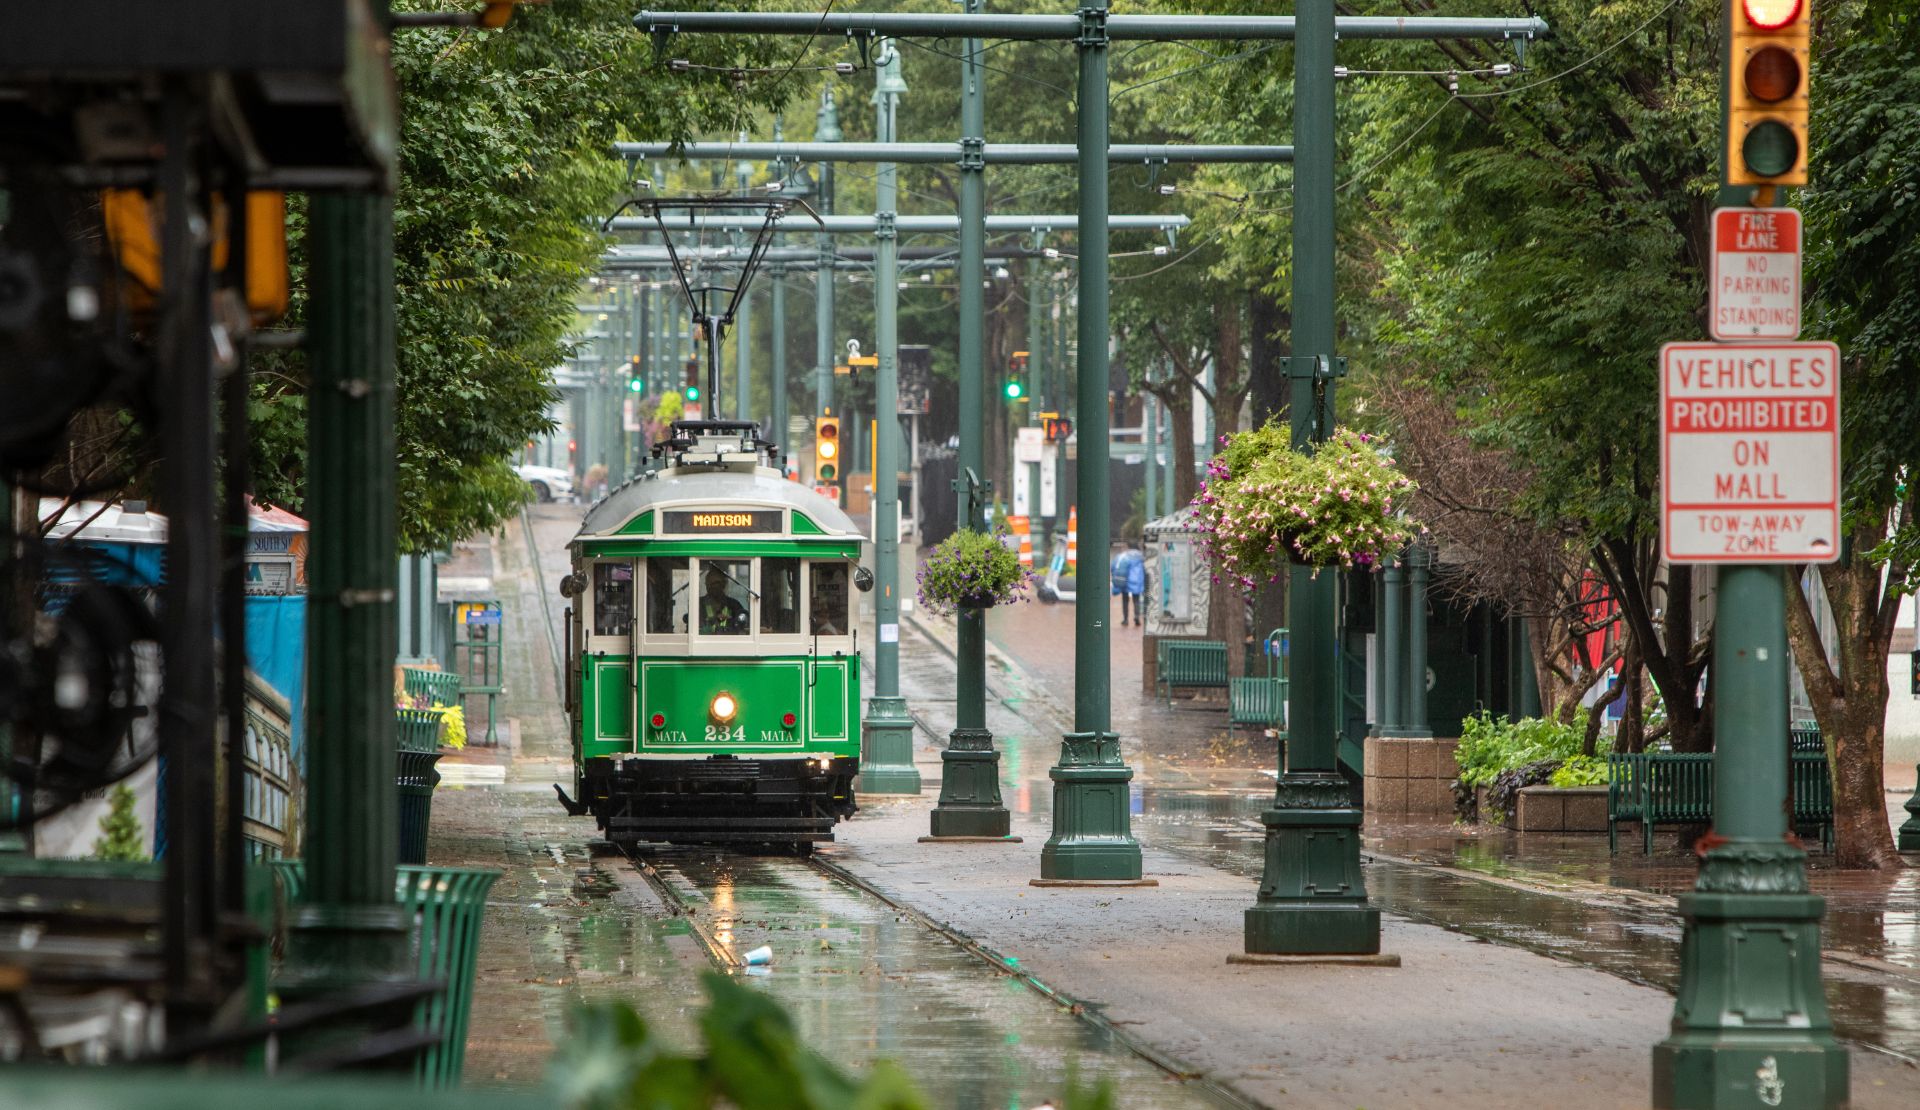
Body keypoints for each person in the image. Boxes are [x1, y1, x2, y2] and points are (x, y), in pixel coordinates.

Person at [698, 566, 748, 634]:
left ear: (724, 584)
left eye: (716, 583)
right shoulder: (698, 604)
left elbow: (743, 628)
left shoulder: (734, 605)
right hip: (704, 640)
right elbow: (694, 629)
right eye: (710, 583)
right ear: (706, 585)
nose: (713, 586)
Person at [1112, 543, 1146, 627]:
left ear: (1129, 547)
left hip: (1125, 580)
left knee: (1125, 600)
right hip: (1137, 581)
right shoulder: (1141, 556)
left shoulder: (1124, 555)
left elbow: (1113, 566)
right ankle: (1136, 617)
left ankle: (1125, 619)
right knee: (1136, 600)